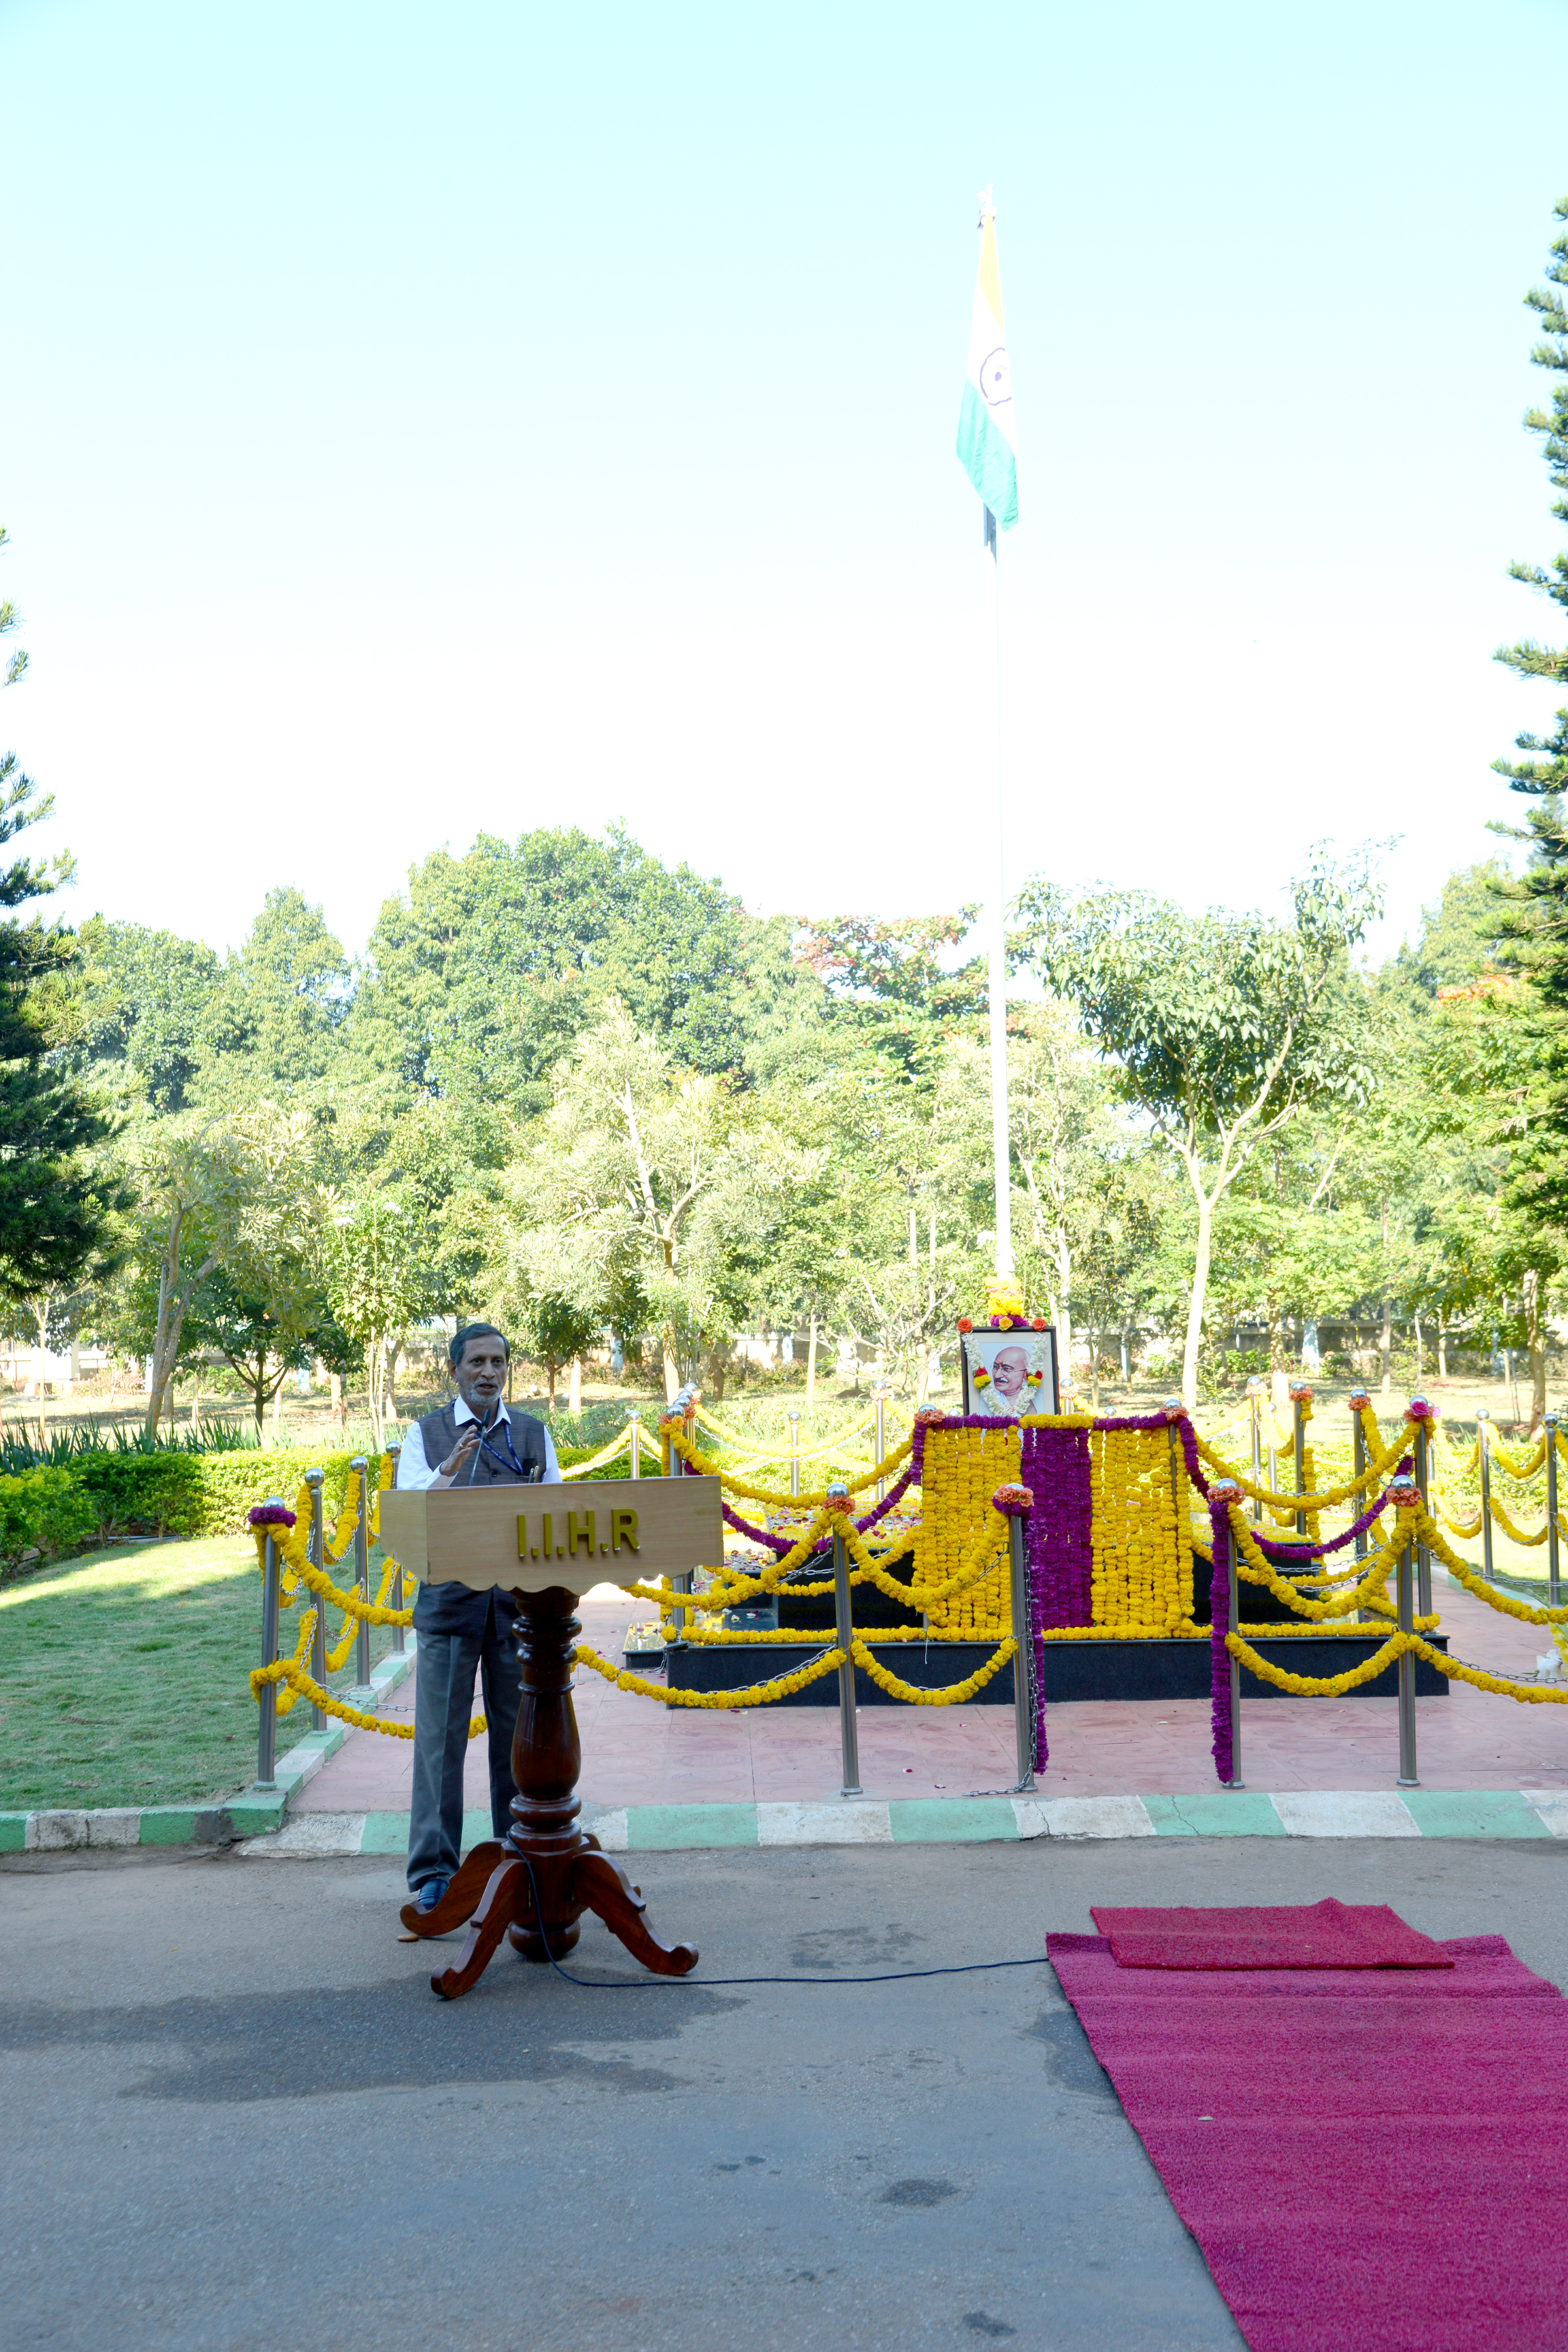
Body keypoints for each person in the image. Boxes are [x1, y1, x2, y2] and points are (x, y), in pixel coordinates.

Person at [395, 1323, 561, 1912]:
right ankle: (434, 1874)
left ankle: (521, 1860)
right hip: (449, 1609)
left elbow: (558, 1516)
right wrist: (448, 1468)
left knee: (519, 1745)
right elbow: (410, 1517)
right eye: (476, 1363)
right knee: (439, 1746)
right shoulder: (425, 1434)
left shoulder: (534, 1434)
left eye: (498, 1362)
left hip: (519, 1614)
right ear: (454, 1371)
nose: (488, 1373)